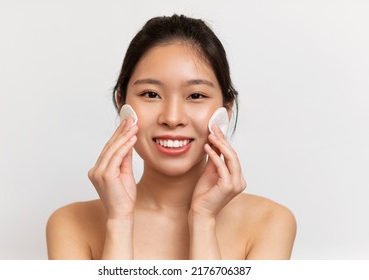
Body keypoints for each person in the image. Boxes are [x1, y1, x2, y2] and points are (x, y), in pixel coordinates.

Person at [46, 14, 296, 260]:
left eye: (196, 95)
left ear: (226, 109)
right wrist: (119, 220)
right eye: (151, 94)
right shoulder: (71, 224)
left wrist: (203, 219)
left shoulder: (269, 223)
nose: (172, 118)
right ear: (121, 101)